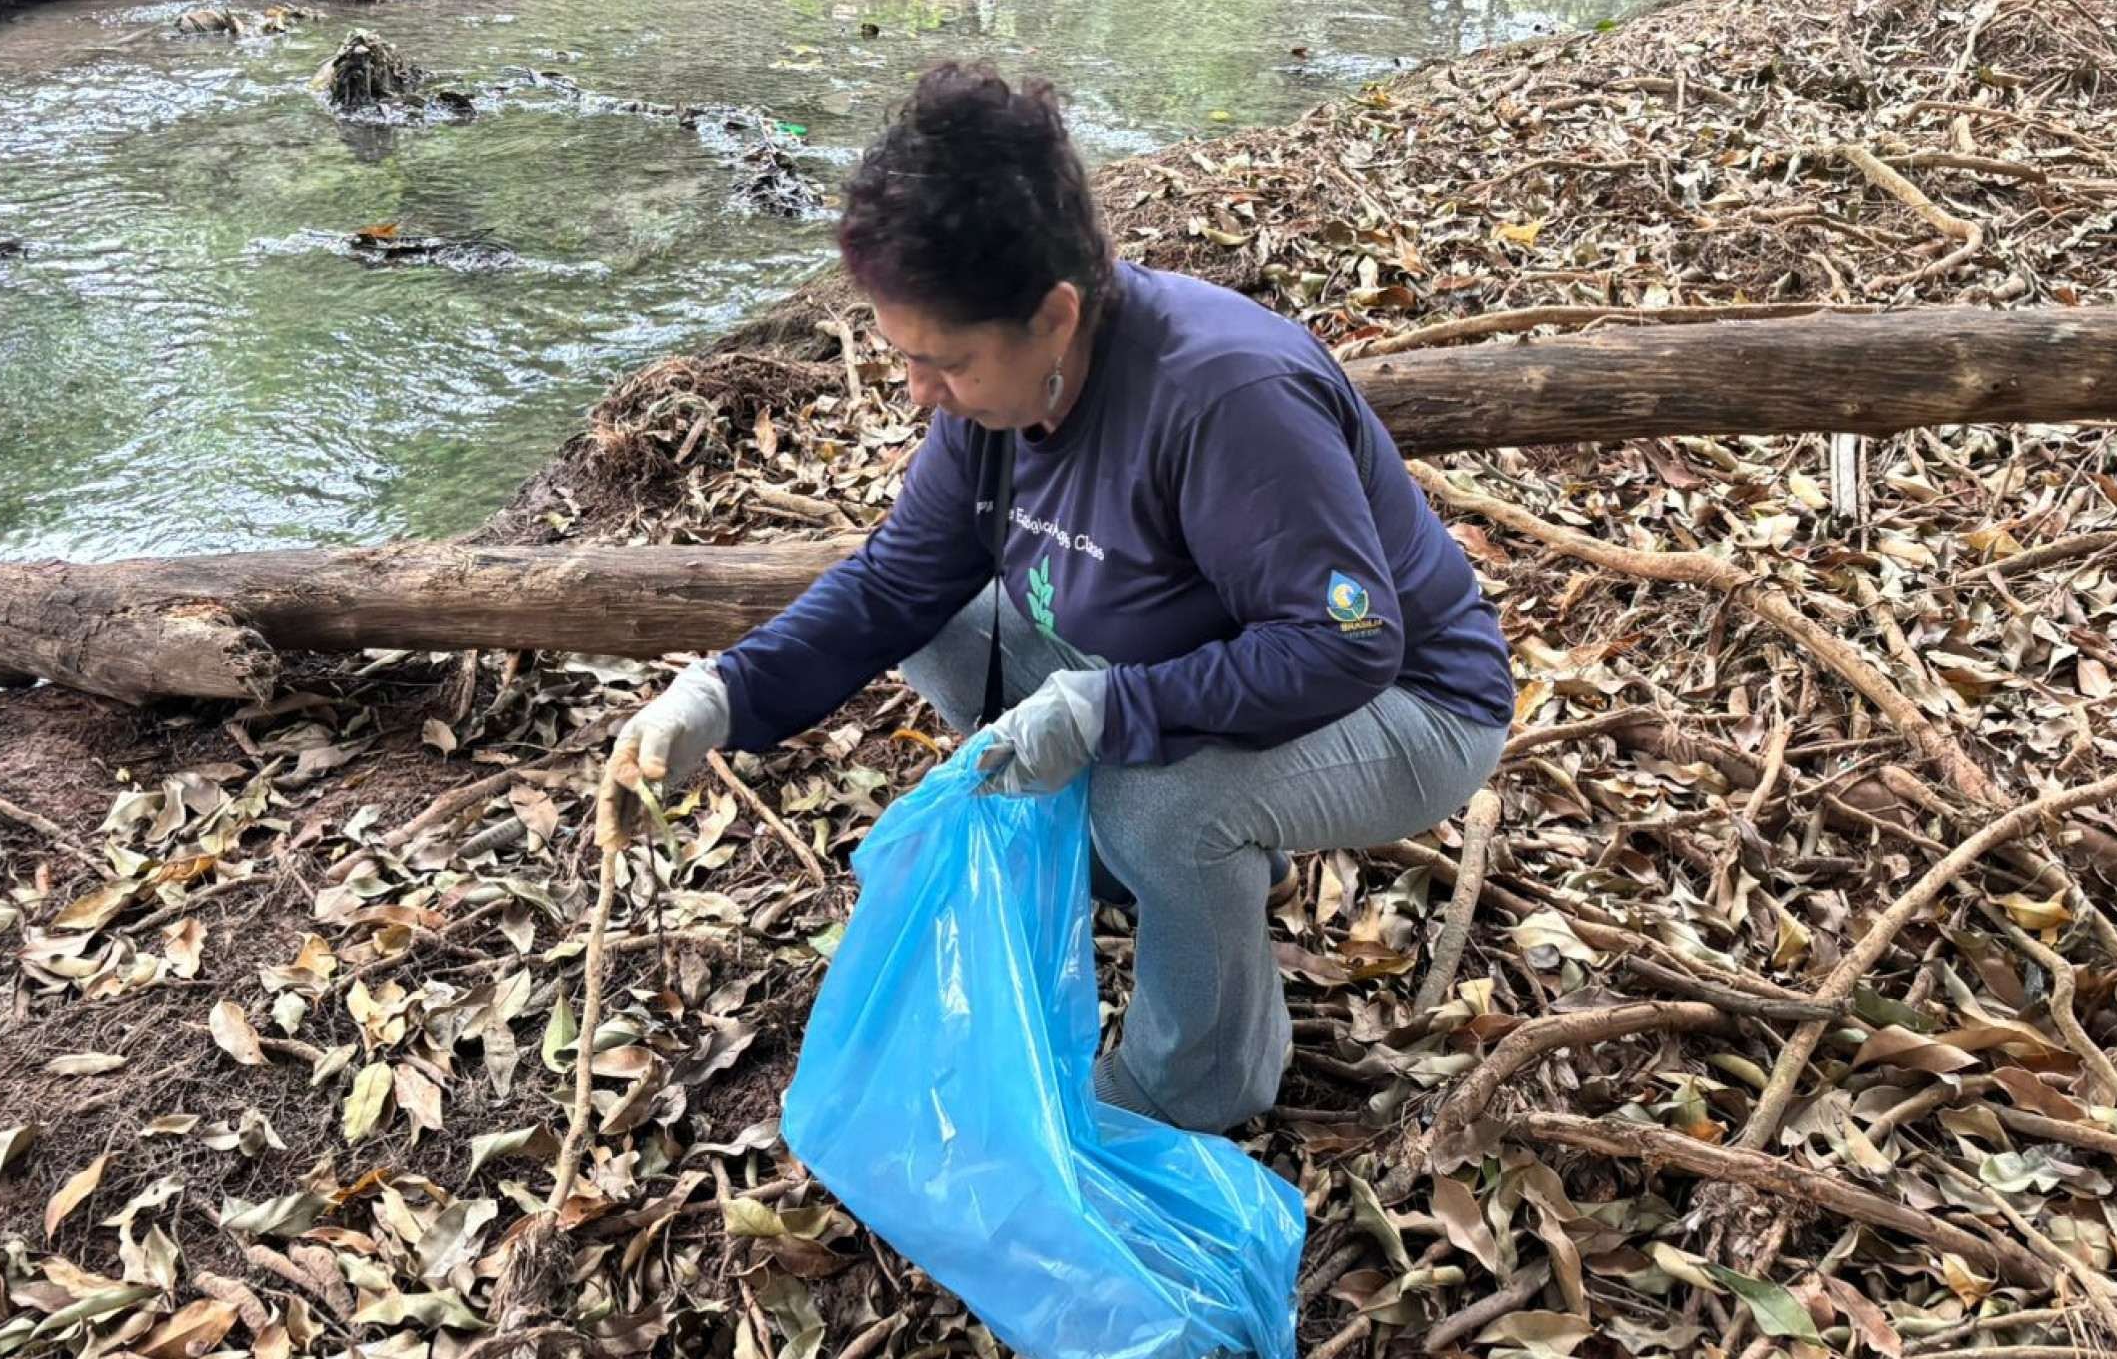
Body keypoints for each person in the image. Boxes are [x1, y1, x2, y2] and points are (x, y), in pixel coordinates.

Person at [612, 61, 1514, 1134]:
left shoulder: (1227, 399)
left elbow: (1349, 641)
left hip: (1405, 701)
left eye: (943, 362)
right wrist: (718, 696)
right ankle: (1147, 866)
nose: (918, 393)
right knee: (943, 628)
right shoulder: (991, 404)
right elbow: (899, 582)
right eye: (905, 358)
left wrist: (1107, 712)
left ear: (1055, 314)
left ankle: (1195, 1085)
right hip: (1198, 658)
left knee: (1161, 803)